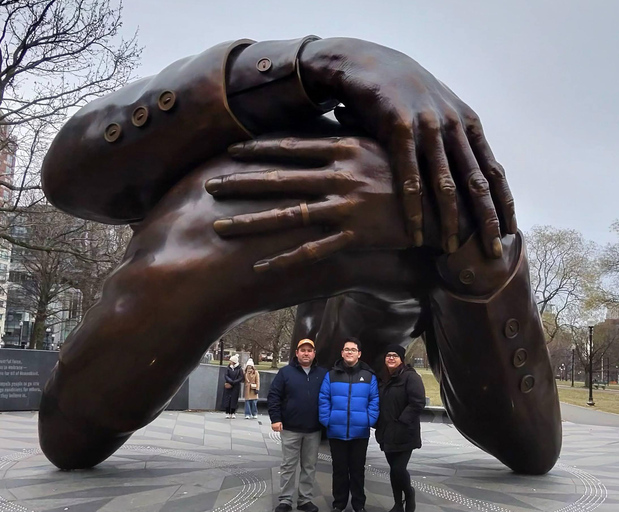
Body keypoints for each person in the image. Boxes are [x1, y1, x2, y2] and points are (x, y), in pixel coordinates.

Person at [37, 35, 561, 475]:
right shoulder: (259, 152)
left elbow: (531, 446)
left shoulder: (422, 227)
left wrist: (462, 229)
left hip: (358, 263)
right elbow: (66, 174)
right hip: (255, 207)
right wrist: (315, 61)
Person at [319, 338, 379, 512]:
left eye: (353, 349)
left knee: (357, 471)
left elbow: (374, 400)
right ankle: (339, 504)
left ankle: (358, 505)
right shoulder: (331, 375)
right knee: (339, 471)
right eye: (346, 349)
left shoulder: (369, 376)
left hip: (360, 433)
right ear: (342, 353)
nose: (349, 352)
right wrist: (327, 420)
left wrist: (369, 420)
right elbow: (323, 399)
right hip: (336, 431)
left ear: (359, 353)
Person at [267, 339, 327, 512]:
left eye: (309, 350)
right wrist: (275, 419)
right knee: (288, 465)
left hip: (313, 429)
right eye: (303, 350)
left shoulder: (323, 374)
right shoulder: (285, 373)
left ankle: (305, 499)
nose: (306, 353)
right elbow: (274, 396)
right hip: (290, 428)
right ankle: (285, 500)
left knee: (309, 466)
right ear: (297, 353)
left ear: (314, 353)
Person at [375, 344, 425, 512]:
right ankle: (397, 503)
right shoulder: (382, 379)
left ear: (401, 359)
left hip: (404, 432)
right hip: (386, 432)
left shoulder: (411, 377)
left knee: (399, 468)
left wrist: (402, 421)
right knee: (393, 470)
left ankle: (409, 494)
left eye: (395, 355)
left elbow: (417, 402)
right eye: (388, 355)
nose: (391, 358)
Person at [222, 354, 243, 418]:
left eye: (231, 361)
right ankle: (227, 412)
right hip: (228, 385)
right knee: (227, 398)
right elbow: (226, 375)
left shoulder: (239, 369)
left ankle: (233, 412)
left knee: (234, 399)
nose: (230, 362)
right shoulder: (228, 368)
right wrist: (230, 381)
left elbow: (241, 377)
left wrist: (234, 382)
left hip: (236, 386)